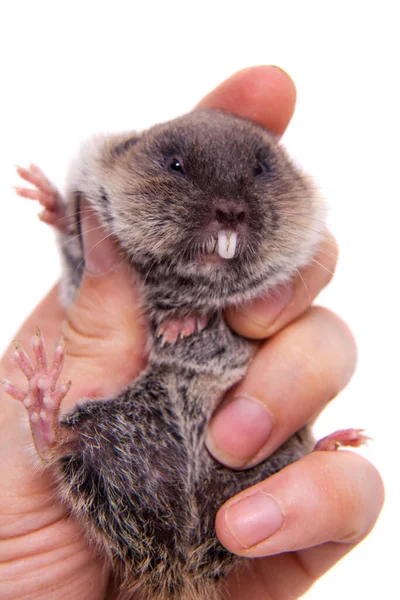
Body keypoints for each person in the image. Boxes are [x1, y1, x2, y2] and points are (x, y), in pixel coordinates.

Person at [0, 66, 383, 600]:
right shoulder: (108, 219)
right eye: (179, 169)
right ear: (122, 163)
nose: (228, 204)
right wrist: (69, 217)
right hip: (137, 473)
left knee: (269, 435)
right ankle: (54, 437)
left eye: (257, 174)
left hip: (229, 500)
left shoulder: (282, 258)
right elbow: (88, 252)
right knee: (86, 436)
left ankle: (299, 457)